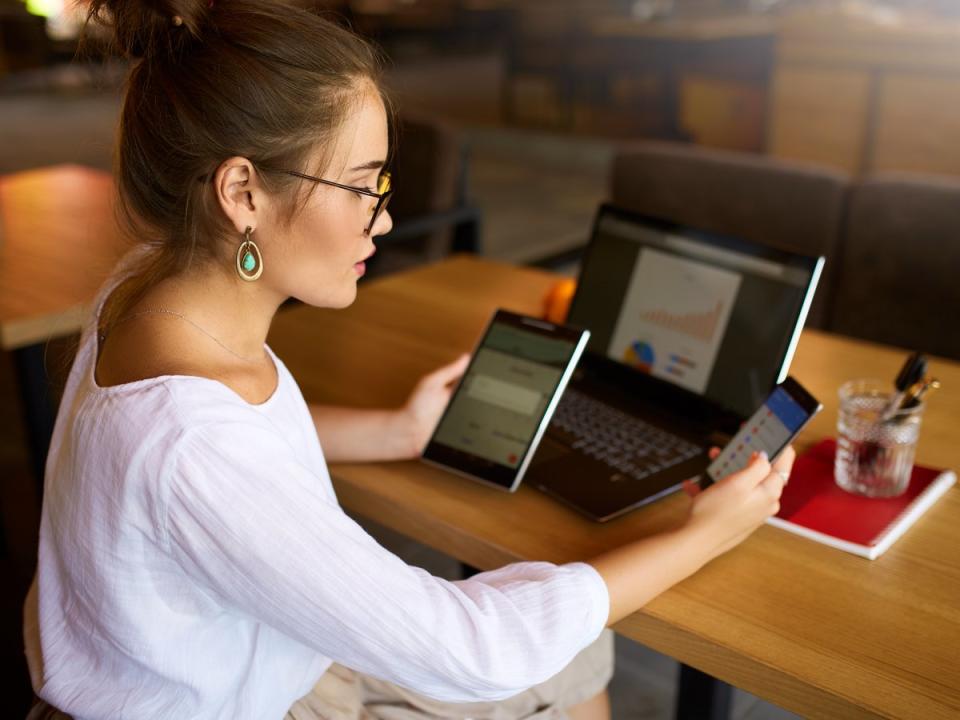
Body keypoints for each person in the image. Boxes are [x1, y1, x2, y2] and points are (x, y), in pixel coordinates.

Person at [23, 1, 794, 718]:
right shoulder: (195, 448)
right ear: (242, 192)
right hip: (245, 700)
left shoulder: (148, 286)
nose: (384, 217)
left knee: (571, 638)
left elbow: (220, 451)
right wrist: (707, 534)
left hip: (219, 658)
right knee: (566, 645)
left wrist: (396, 429)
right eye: (361, 186)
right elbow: (471, 647)